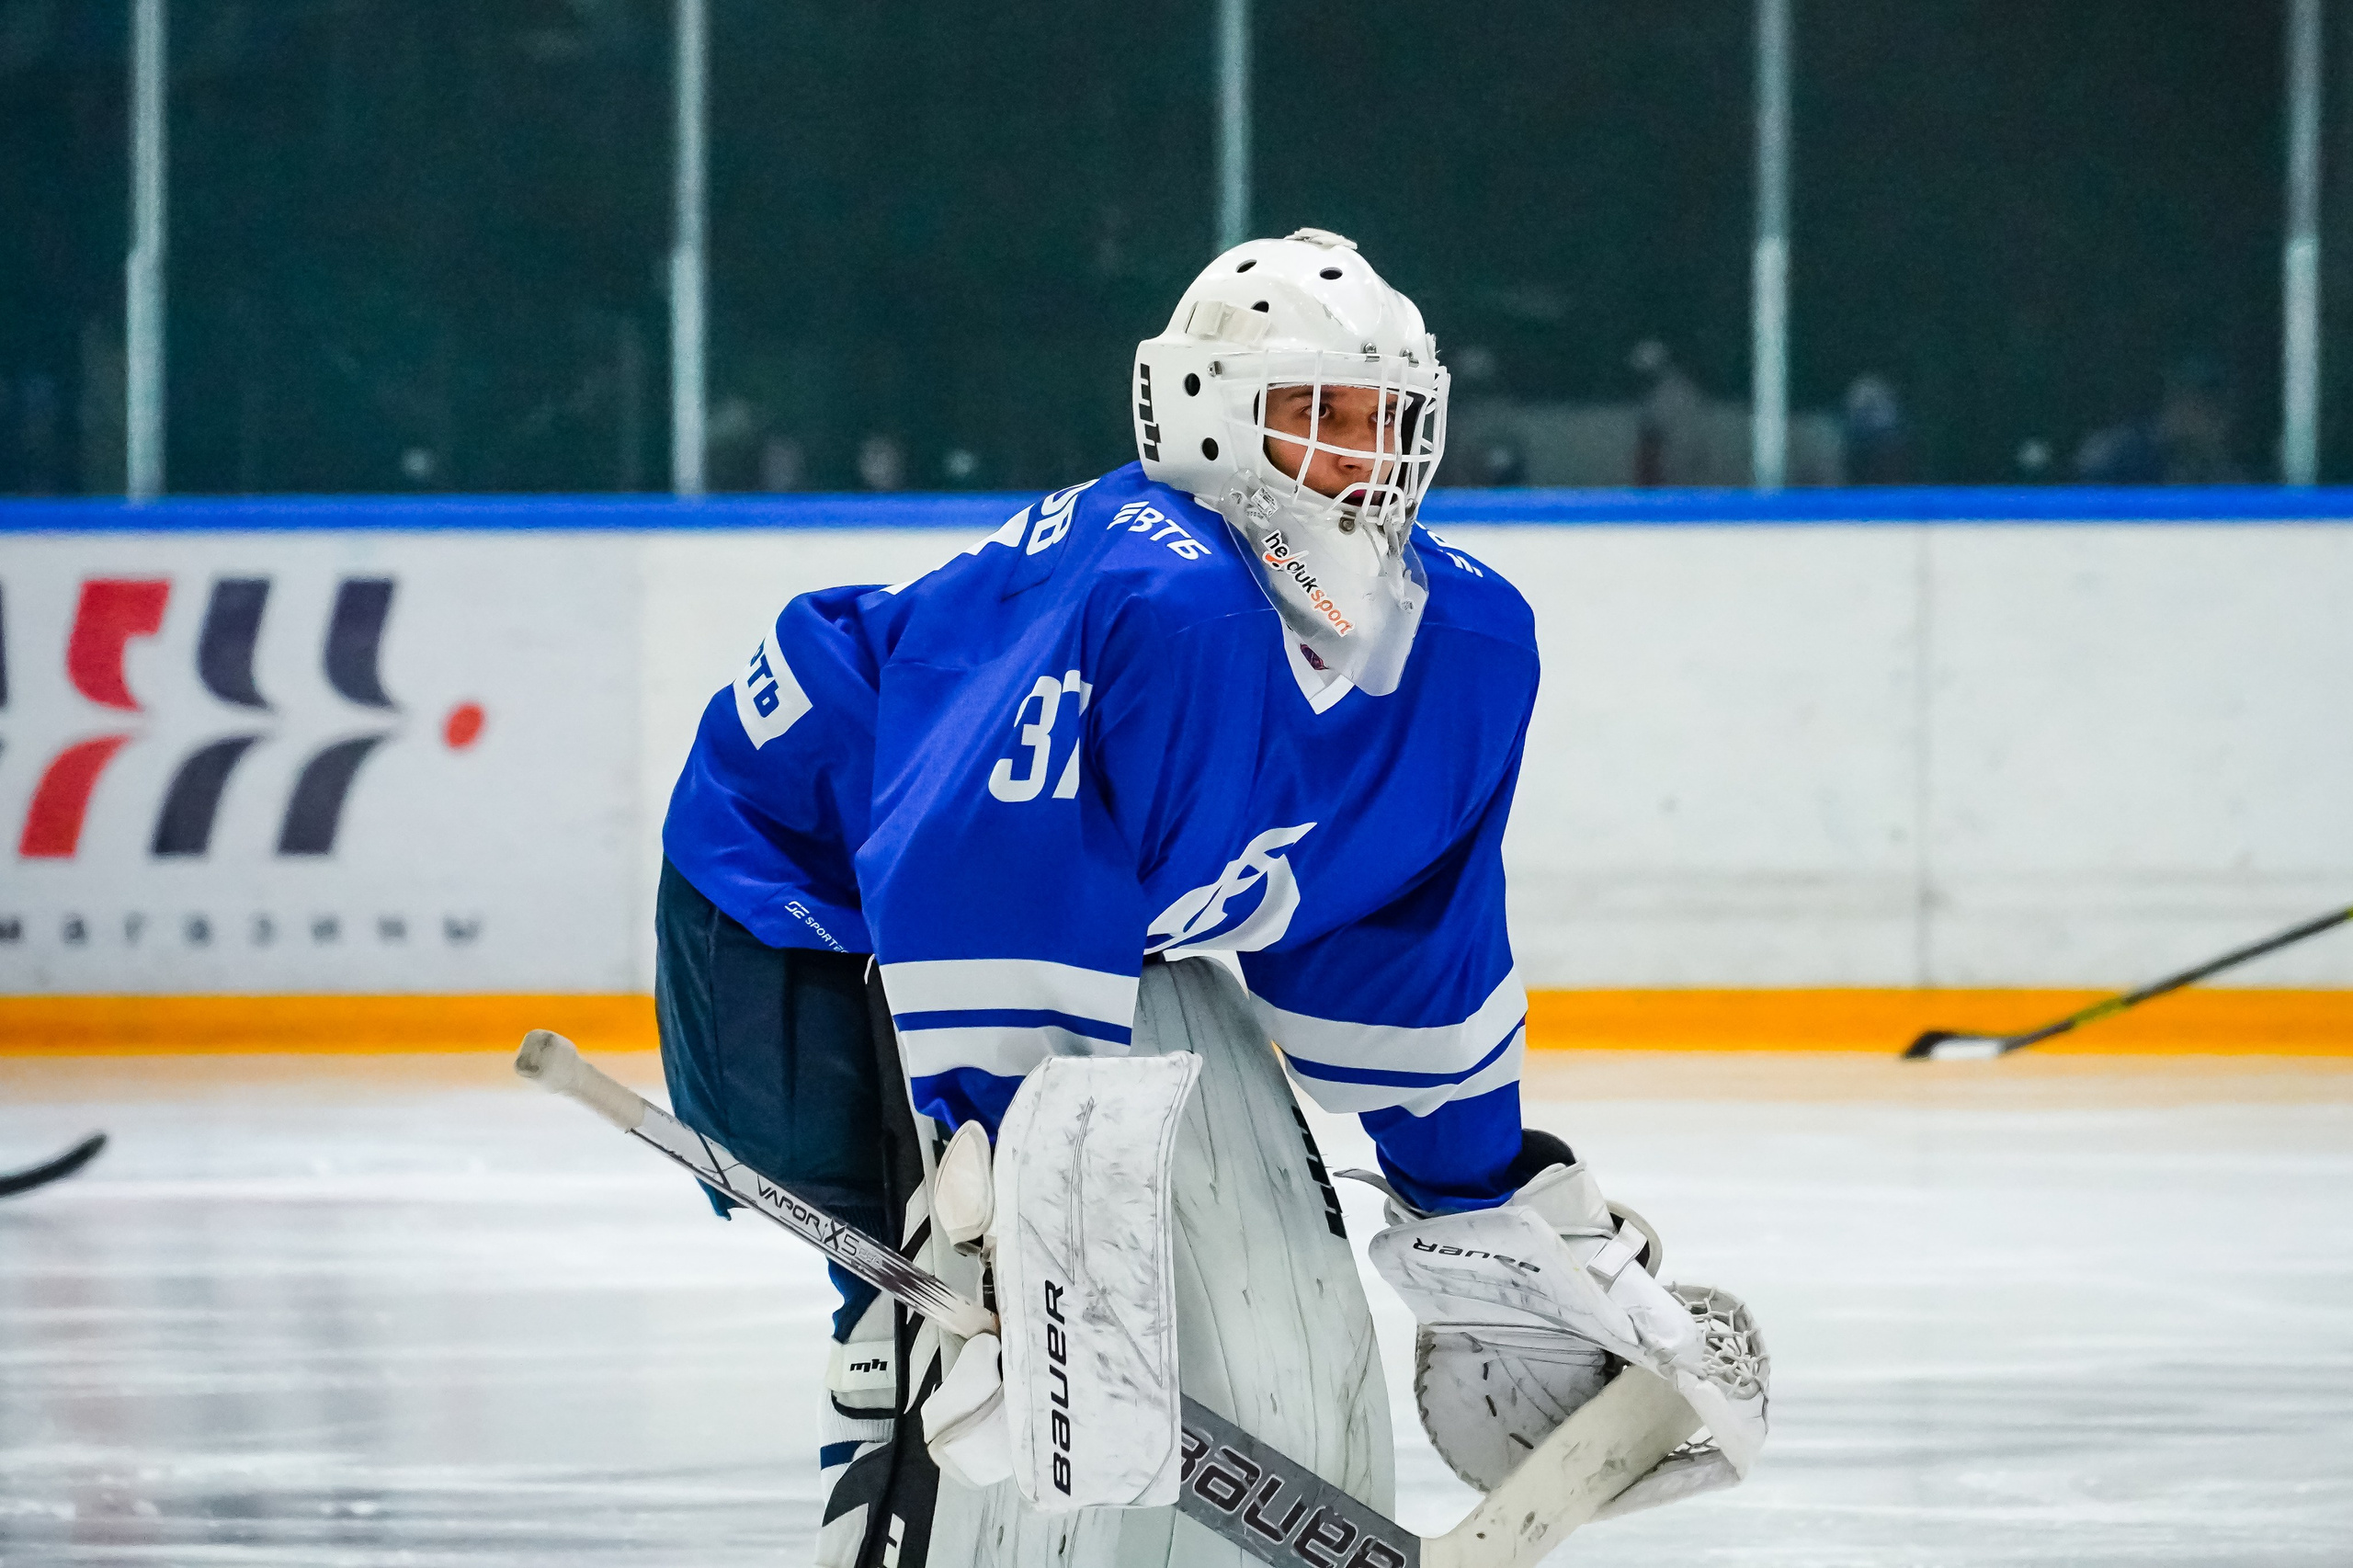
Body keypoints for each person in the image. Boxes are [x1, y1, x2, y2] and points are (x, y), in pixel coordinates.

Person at [653, 229, 1763, 1567]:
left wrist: (1472, 1201)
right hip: (785, 882)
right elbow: (972, 860)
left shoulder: (1464, 644)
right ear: (1204, 416)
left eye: (1387, 418)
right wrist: (989, 1204)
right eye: (1320, 417)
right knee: (914, 1310)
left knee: (986, 1235)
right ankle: (882, 1413)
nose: (1365, 458)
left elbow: (1397, 924)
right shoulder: (1151, 592)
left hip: (1034, 906)